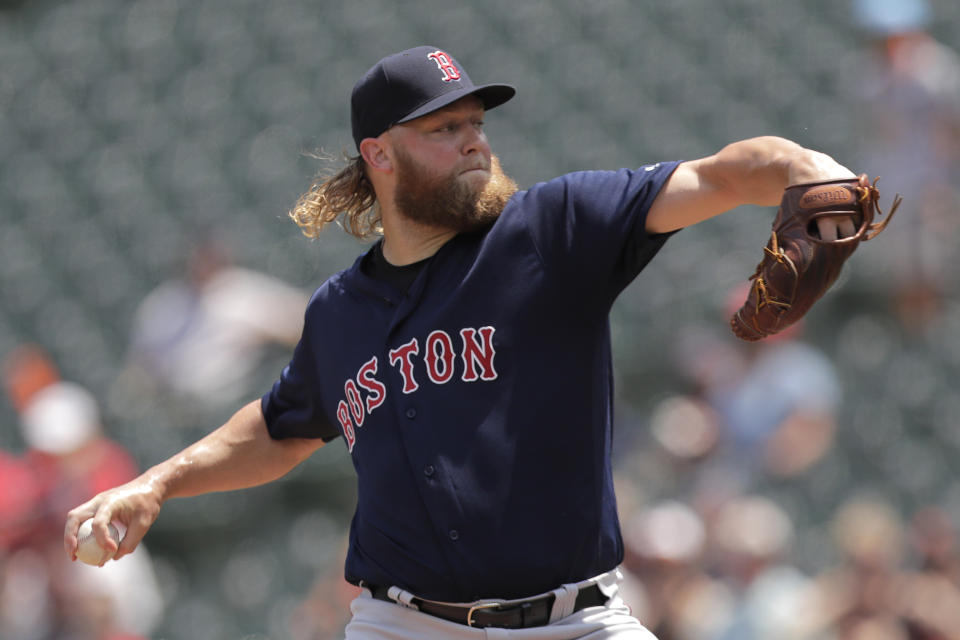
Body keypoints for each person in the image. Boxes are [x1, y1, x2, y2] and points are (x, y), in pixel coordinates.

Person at [64, 45, 863, 639]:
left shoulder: (553, 230)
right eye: (445, 128)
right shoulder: (339, 312)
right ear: (379, 155)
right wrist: (159, 484)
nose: (475, 141)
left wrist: (806, 167)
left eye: (477, 123)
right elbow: (280, 428)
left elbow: (724, 175)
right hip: (404, 625)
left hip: (574, 619)